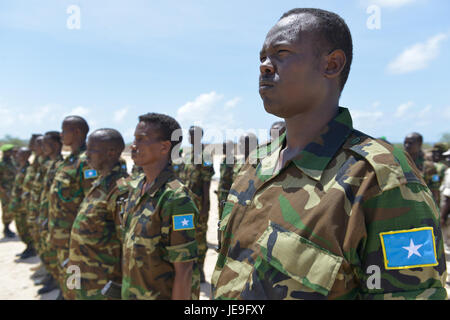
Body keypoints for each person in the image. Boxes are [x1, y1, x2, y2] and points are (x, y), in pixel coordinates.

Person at [212, 8, 447, 300]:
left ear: (332, 64)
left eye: (281, 53)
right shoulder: (255, 165)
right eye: (262, 57)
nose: (264, 66)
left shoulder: (380, 178)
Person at [121, 113, 199, 300]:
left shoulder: (177, 199)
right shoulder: (138, 186)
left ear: (164, 147)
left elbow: (184, 269)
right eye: (134, 139)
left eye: (141, 139)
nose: (134, 145)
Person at [67, 128, 129, 300]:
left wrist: (117, 283)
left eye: (92, 150)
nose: (87, 154)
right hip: (82, 274)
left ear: (111, 153)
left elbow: (127, 243)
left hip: (102, 282)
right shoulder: (100, 182)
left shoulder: (121, 189)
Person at [48, 115, 96, 299]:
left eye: (64, 130)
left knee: (75, 281)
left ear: (77, 132)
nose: (61, 135)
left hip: (73, 237)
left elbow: (90, 201)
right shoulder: (70, 160)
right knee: (66, 275)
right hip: (60, 233)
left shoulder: (86, 162)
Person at [179, 125, 214, 283]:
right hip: (185, 205)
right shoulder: (188, 155)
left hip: (199, 205)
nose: (190, 137)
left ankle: (199, 270)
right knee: (185, 235)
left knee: (200, 238)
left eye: (193, 135)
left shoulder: (205, 156)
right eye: (189, 134)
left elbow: (206, 184)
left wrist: (206, 207)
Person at [36, 131, 64, 295]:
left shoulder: (63, 164)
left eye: (45, 143)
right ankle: (55, 280)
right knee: (52, 255)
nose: (42, 147)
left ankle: (62, 288)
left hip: (63, 225)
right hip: (51, 219)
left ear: (54, 145)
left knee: (66, 262)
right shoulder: (52, 164)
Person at [9, 147, 32, 255]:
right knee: (20, 227)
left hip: (22, 206)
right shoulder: (21, 168)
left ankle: (31, 248)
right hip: (17, 205)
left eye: (19, 154)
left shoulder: (28, 169)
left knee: (25, 228)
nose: (17, 156)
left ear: (25, 156)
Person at [0, 143, 18, 238]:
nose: (11, 153)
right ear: (5, 153)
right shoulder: (2, 164)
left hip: (12, 189)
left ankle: (8, 227)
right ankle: (6, 228)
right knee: (6, 209)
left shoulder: (12, 162)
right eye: (9, 151)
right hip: (5, 190)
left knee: (11, 209)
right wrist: (2, 189)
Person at [217, 141, 236, 220]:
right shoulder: (223, 160)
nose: (223, 149)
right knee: (221, 217)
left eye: (225, 147)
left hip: (228, 194)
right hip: (221, 193)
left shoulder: (233, 161)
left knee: (227, 218)